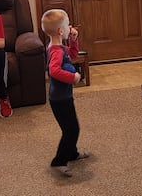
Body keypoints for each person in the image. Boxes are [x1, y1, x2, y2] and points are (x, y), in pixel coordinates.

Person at [41, 9, 90, 177]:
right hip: (59, 99)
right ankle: (59, 161)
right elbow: (53, 71)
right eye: (67, 24)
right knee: (71, 130)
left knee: (72, 126)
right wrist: (73, 77)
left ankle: (72, 153)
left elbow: (73, 55)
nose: (71, 27)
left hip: (64, 97)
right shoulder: (56, 51)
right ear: (61, 31)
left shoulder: (59, 47)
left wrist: (74, 40)